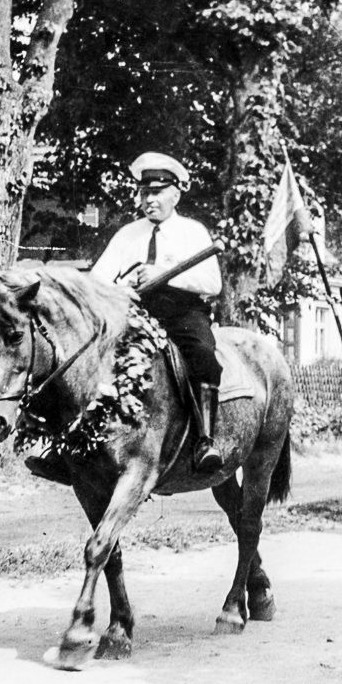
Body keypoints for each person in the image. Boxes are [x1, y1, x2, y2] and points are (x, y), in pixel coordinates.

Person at [88, 152, 224, 474]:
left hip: (182, 315)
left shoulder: (193, 232)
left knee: (203, 355)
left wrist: (164, 272)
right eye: (144, 192)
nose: (149, 200)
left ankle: (205, 440)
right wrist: (121, 287)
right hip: (134, 316)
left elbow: (212, 282)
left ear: (175, 194)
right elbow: (96, 280)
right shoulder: (127, 235)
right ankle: (80, 447)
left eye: (157, 192)